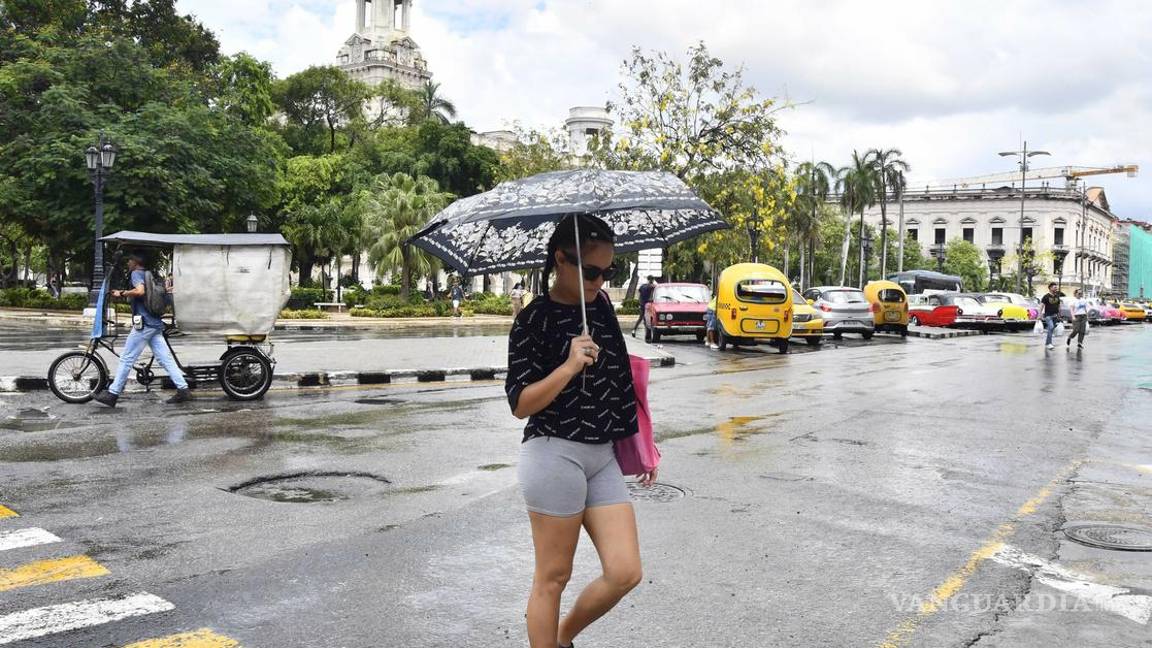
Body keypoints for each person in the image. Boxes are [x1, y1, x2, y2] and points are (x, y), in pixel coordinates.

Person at [506, 214, 654, 648]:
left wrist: (643, 443)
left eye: (609, 271)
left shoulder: (602, 306)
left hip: (602, 453)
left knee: (625, 570)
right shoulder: (534, 320)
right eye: (591, 270)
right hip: (554, 453)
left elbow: (620, 382)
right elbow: (520, 403)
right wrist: (568, 366)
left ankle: (563, 635)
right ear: (560, 260)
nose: (600, 279)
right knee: (553, 576)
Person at [93, 254, 190, 407]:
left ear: (136, 262)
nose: (128, 263)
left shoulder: (136, 274)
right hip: (154, 323)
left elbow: (140, 291)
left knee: (126, 358)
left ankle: (113, 393)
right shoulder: (149, 273)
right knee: (165, 358)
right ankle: (183, 389)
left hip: (144, 325)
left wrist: (122, 293)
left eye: (129, 260)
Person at [1039, 283, 1063, 350]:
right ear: (1050, 288)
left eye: (1056, 287)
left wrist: (1060, 315)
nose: (1056, 288)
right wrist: (1039, 315)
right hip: (1048, 316)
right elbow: (1041, 306)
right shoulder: (1046, 296)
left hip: (1055, 316)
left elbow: (1059, 306)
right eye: (1055, 287)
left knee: (1051, 329)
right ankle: (1049, 344)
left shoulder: (1057, 296)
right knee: (1051, 327)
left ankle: (1047, 343)